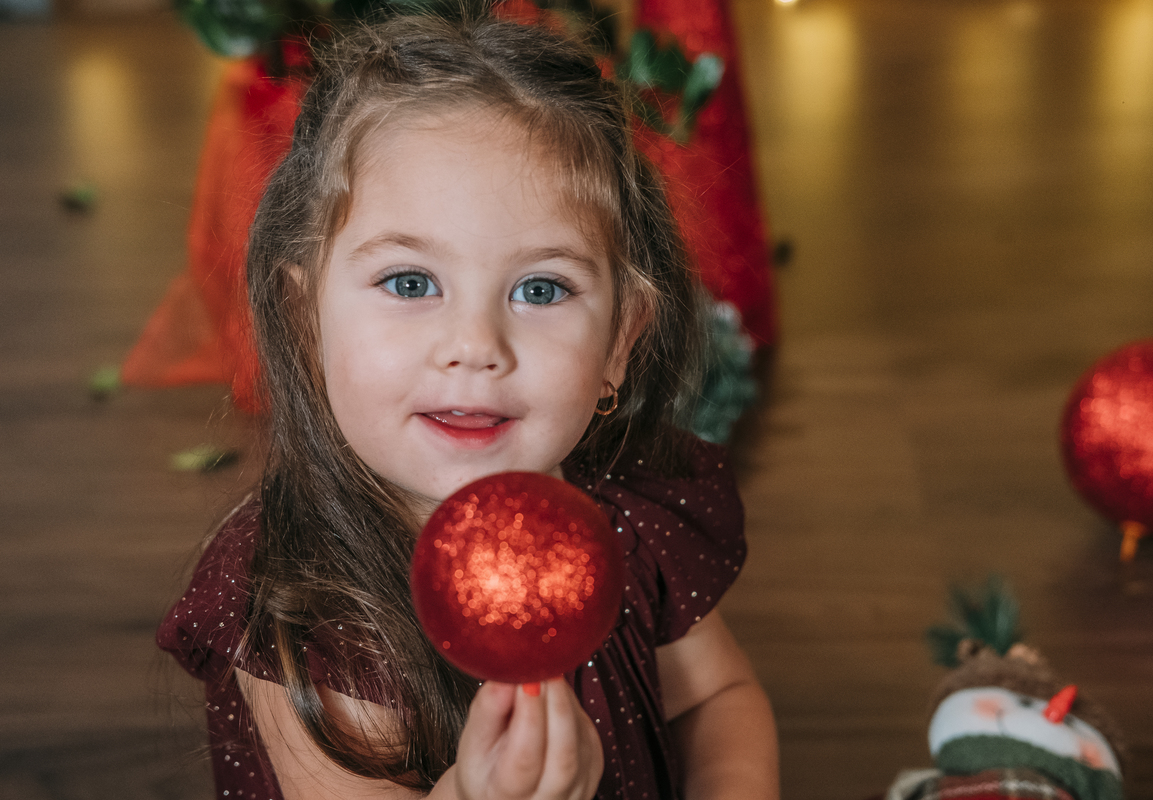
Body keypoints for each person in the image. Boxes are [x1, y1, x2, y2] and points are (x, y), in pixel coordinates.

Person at [158, 9, 779, 800]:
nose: (475, 344)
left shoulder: (624, 522)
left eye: (541, 289)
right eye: (410, 282)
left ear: (621, 341)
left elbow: (718, 698)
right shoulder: (293, 603)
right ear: (304, 319)